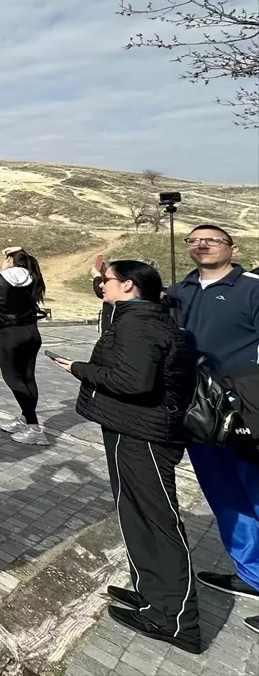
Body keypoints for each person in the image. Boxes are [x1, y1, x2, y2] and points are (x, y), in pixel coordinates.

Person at [50, 260, 201, 652]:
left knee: (157, 521)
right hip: (132, 429)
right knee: (134, 515)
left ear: (129, 286)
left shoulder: (140, 323)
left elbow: (132, 381)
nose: (101, 285)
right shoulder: (140, 314)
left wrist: (78, 369)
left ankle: (176, 619)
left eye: (107, 280)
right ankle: (152, 594)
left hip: (144, 433)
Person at [167, 225, 259, 607]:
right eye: (194, 240)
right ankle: (252, 574)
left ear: (232, 248)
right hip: (197, 412)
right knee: (224, 494)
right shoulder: (177, 291)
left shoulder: (252, 288)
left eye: (213, 240)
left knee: (254, 488)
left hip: (245, 408)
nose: (202, 245)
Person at [0, 247, 49, 445]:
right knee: (28, 377)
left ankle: (34, 427)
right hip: (31, 332)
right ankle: (25, 418)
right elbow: (31, 262)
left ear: (11, 261)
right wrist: (21, 251)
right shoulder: (33, 276)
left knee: (12, 378)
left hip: (9, 334)